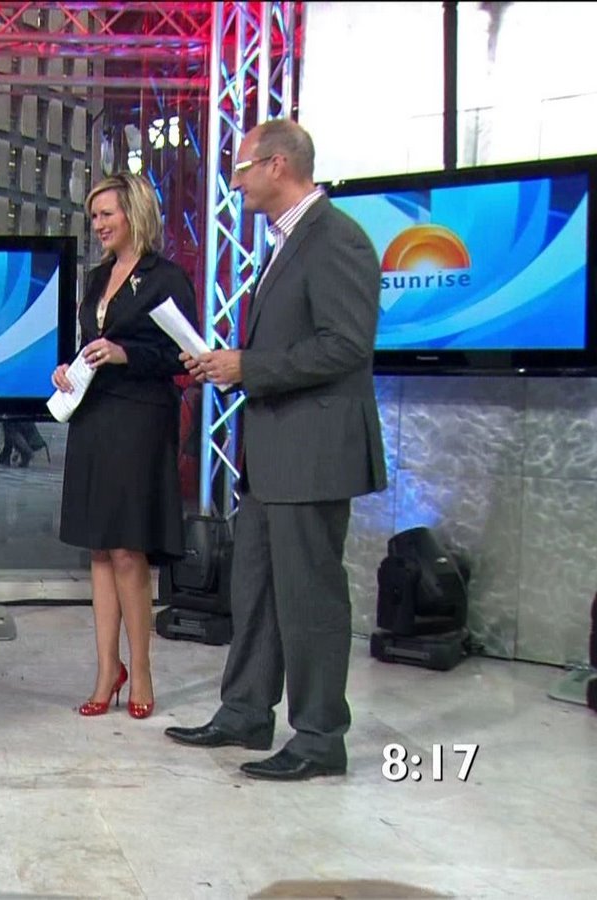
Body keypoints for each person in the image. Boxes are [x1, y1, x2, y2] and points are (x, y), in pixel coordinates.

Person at [166, 119, 387, 781]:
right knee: (256, 587)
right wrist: (230, 365)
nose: (234, 183)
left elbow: (346, 345)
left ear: (278, 165)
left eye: (241, 169)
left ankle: (319, 737)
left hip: (312, 455)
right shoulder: (286, 242)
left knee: (309, 598)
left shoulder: (337, 238)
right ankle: (245, 711)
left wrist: (250, 367)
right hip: (271, 456)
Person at [53, 172, 197, 721]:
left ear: (134, 213)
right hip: (93, 416)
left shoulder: (167, 279)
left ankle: (142, 670)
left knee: (127, 549)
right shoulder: (96, 278)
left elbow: (184, 356)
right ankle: (105, 670)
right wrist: (69, 368)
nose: (98, 225)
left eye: (106, 214)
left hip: (139, 418)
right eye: (94, 217)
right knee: (99, 547)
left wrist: (126, 354)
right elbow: (87, 343)